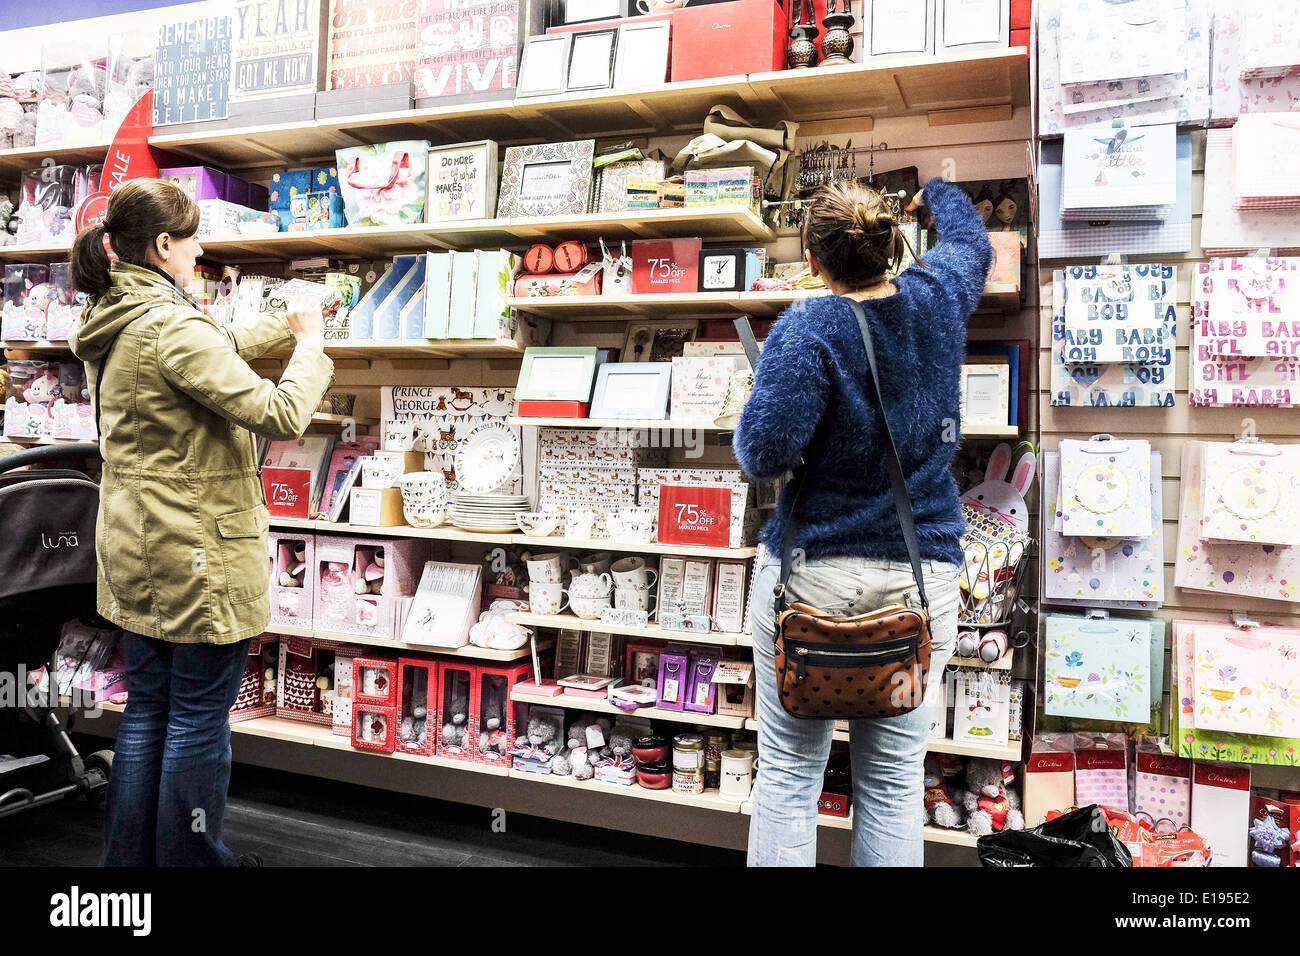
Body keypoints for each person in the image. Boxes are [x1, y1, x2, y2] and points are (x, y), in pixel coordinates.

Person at [68, 179, 335, 866]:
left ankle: (129, 870)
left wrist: (296, 319)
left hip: (138, 544)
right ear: (163, 245)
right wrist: (310, 351)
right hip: (197, 549)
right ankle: (191, 861)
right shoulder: (171, 324)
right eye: (192, 240)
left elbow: (214, 343)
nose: (201, 250)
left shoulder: (120, 312)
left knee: (149, 714)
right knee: (197, 722)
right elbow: (279, 414)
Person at [733, 177, 992, 867]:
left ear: (815, 261)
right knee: (893, 783)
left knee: (789, 778)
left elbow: (764, 454)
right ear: (893, 246)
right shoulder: (937, 300)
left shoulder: (807, 327)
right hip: (921, 573)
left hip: (813, 573)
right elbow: (970, 244)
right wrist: (940, 188)